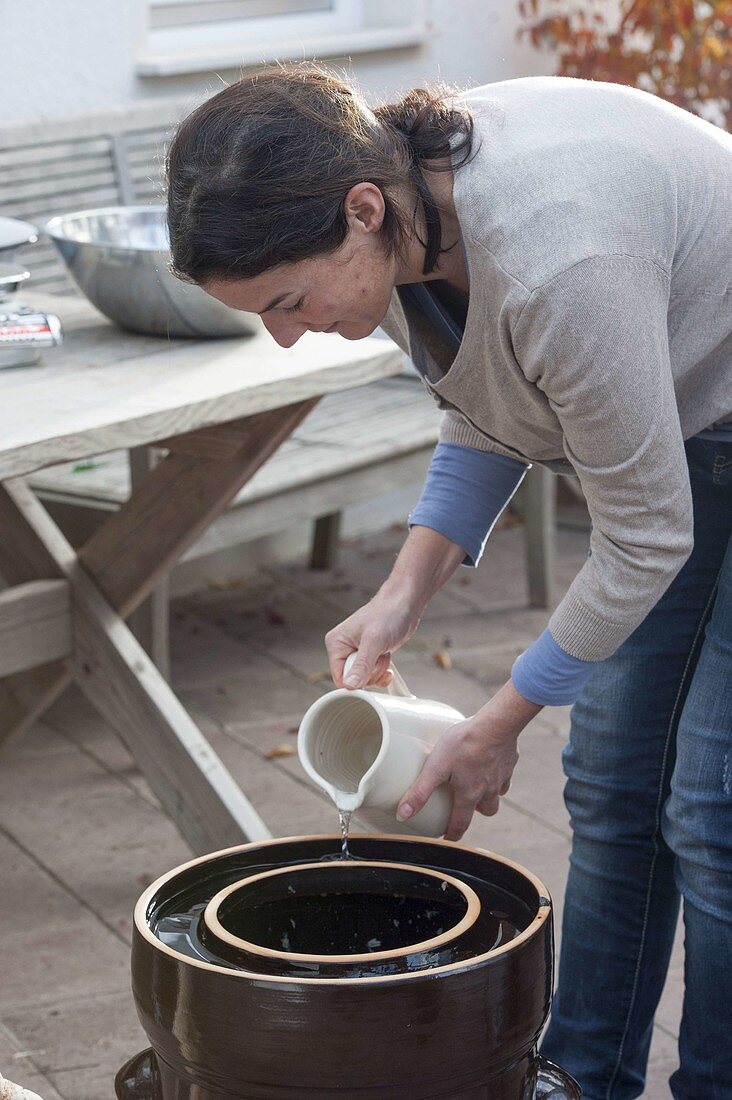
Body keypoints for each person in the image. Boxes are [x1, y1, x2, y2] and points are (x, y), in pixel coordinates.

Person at [166, 64, 732, 1099]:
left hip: (695, 397)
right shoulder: (405, 229)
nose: (285, 333)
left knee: (714, 802)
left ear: (362, 209)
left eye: (287, 300)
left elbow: (646, 538)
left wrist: (499, 719)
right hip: (683, 407)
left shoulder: (562, 259)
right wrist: (402, 590)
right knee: (610, 778)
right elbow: (488, 400)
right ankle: (582, 1077)